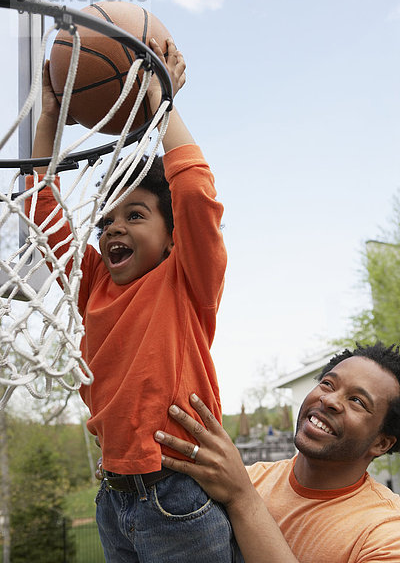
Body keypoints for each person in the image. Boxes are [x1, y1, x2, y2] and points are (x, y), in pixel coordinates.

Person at [29, 38, 241, 562]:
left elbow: (192, 190)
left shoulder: (186, 282)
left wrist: (159, 102)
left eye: (136, 215)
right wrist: (51, 114)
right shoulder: (94, 284)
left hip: (178, 494)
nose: (114, 228)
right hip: (115, 497)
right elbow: (41, 204)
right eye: (105, 221)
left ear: (174, 236)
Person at [153, 342, 400, 562]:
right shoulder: (250, 478)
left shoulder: (386, 531)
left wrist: (243, 499)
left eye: (357, 401)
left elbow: (241, 494)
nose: (330, 400)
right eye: (327, 384)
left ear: (382, 443)